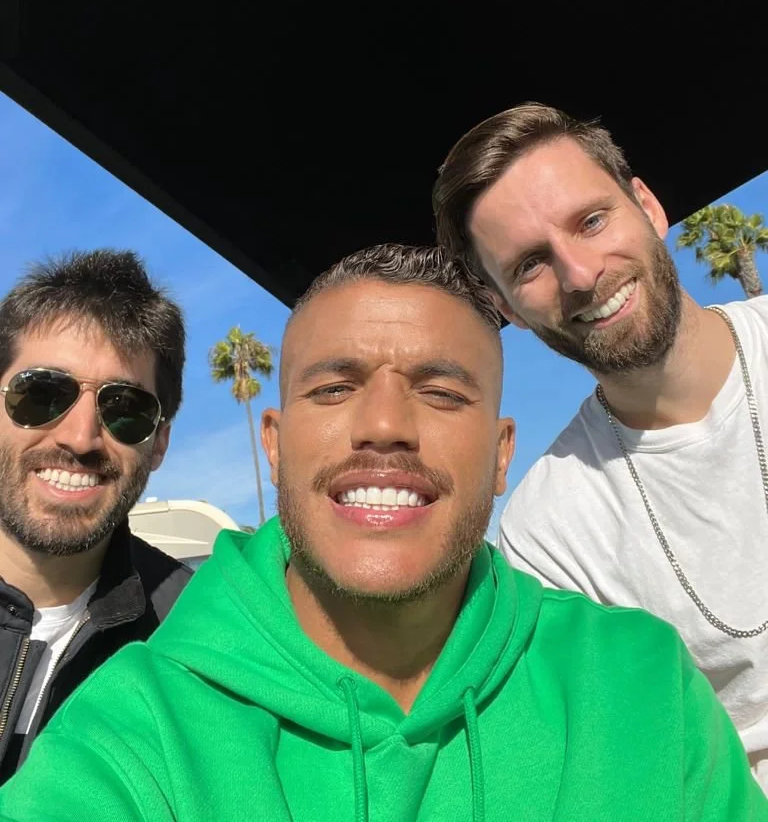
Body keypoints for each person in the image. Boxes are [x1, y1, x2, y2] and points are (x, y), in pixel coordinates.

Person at [0, 243, 763, 821]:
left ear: (502, 455)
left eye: (441, 392)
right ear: (274, 445)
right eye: (335, 388)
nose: (387, 425)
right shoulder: (133, 729)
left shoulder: (643, 687)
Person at [433, 100, 768, 790]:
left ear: (647, 206)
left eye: (590, 221)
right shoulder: (548, 532)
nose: (581, 274)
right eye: (530, 264)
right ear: (506, 309)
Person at [0, 249, 190, 782]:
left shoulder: (191, 635)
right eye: (42, 394)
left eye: (124, 409)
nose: (80, 438)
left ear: (159, 444)